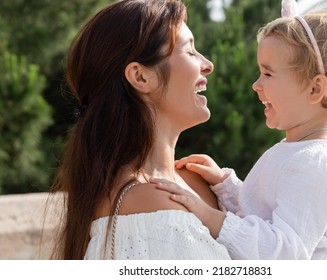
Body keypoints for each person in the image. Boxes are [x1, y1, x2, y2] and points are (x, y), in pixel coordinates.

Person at [153, 5, 327, 259]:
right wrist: (225, 185)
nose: (256, 85)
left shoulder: (315, 162)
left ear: (315, 89)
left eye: (268, 73)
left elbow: (283, 254)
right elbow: (262, 215)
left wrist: (206, 214)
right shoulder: (295, 150)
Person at [48, 0, 230, 260]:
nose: (207, 64)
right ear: (141, 77)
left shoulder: (199, 181)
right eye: (190, 52)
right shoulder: (150, 210)